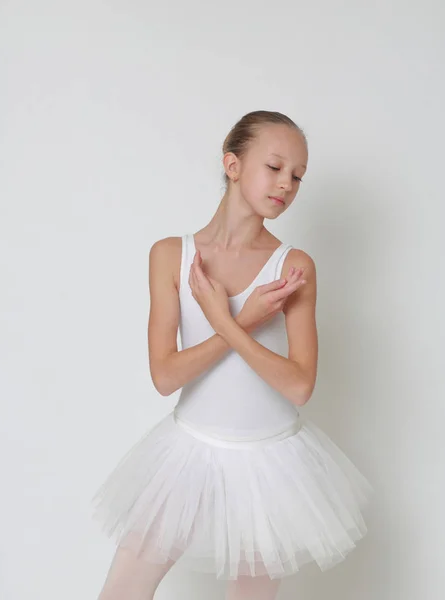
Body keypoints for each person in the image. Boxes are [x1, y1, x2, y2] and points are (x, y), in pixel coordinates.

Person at [92, 110, 373, 600]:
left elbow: (299, 385)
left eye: (298, 176)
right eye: (275, 167)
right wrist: (244, 321)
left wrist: (226, 321)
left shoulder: (294, 266)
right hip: (187, 452)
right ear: (233, 164)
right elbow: (165, 376)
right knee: (122, 591)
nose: (286, 184)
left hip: (271, 461)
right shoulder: (171, 256)